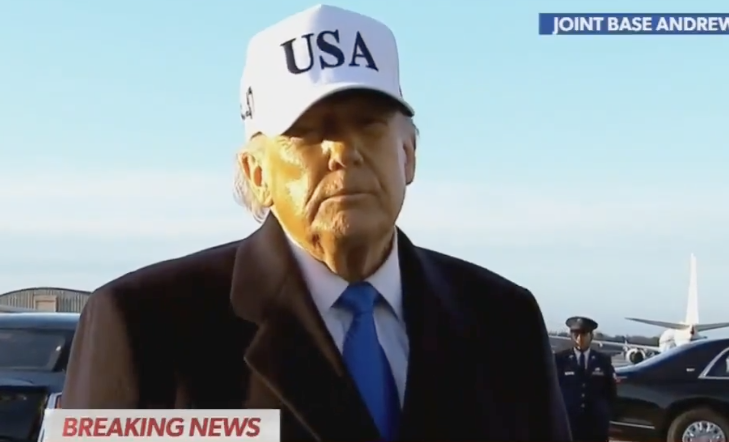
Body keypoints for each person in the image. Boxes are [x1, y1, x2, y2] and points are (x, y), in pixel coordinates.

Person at [63, 4, 570, 441]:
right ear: (256, 173)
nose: (344, 152)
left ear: (409, 154)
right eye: (307, 132)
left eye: (368, 125)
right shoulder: (144, 325)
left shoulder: (504, 321)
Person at [555, 316, 616, 442]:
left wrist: (605, 415)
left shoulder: (602, 361)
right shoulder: (560, 360)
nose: (579, 339)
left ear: (591, 336)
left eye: (583, 335)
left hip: (595, 426)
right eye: (576, 335)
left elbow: (610, 391)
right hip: (569, 423)